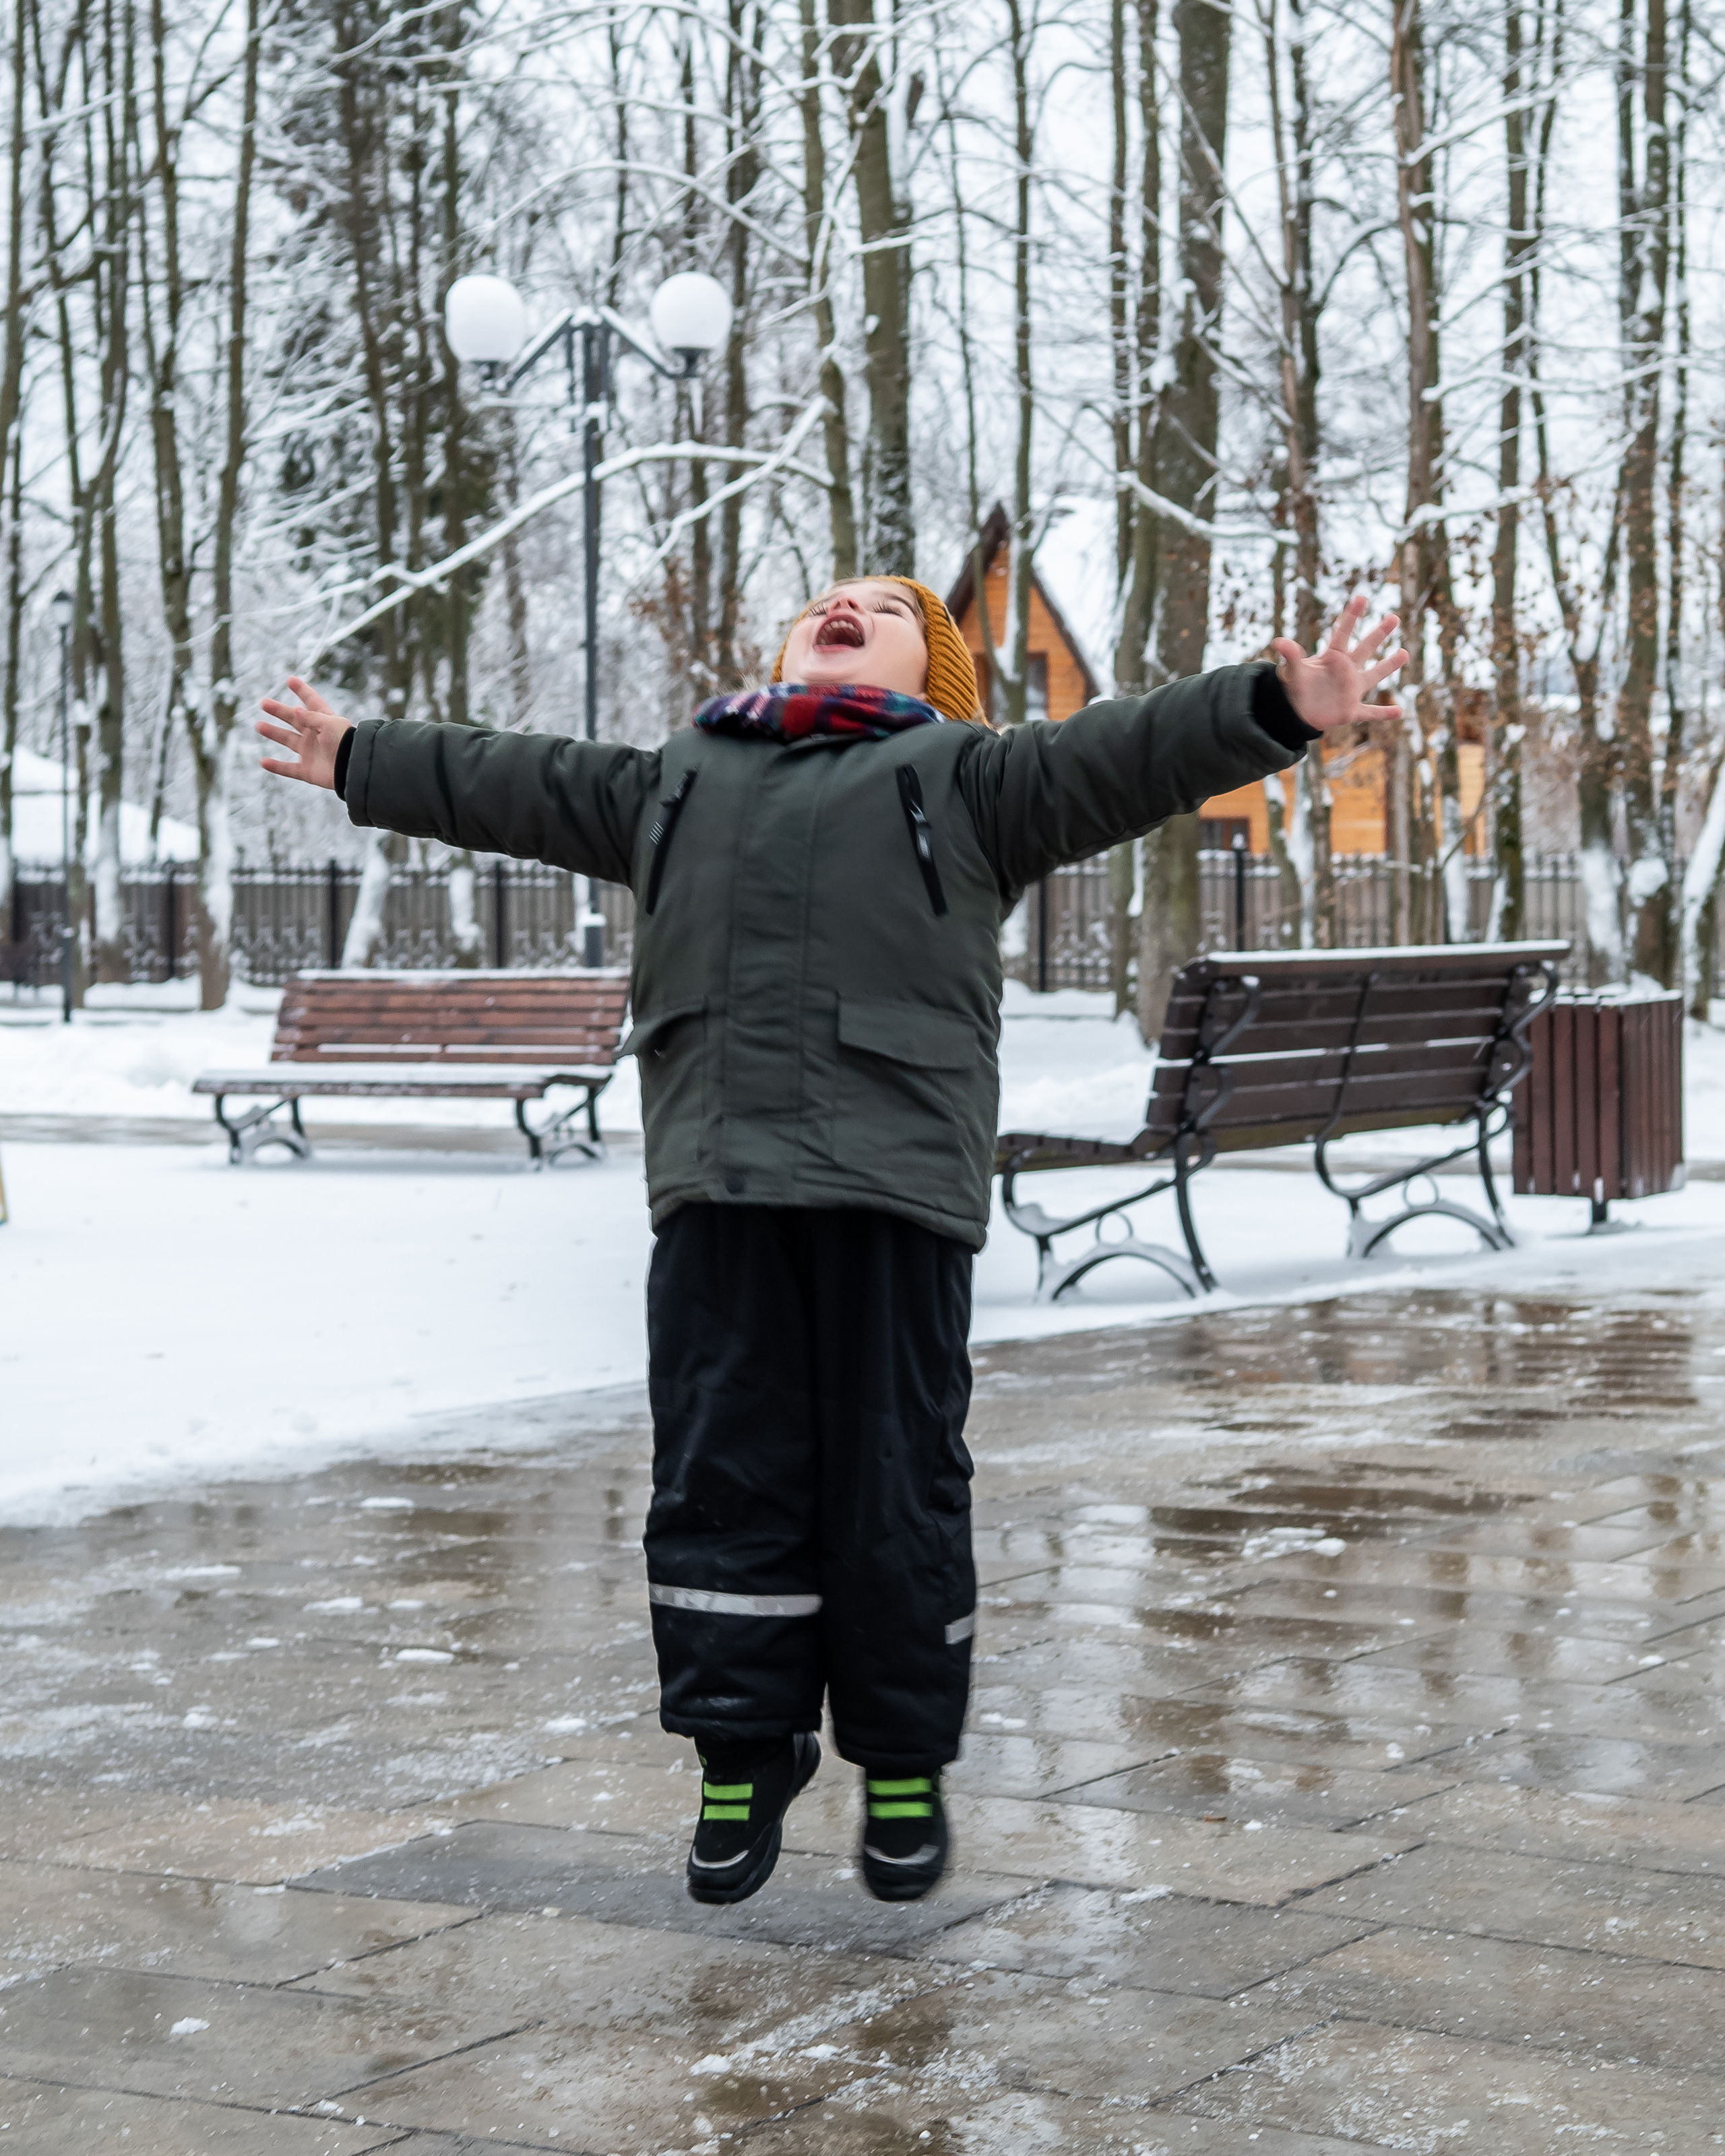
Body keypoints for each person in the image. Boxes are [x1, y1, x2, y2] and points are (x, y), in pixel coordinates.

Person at [259, 577, 1406, 1906]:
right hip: (719, 1180)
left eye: (887, 608)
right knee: (718, 1473)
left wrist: (1272, 704)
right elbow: (518, 779)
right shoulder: (678, 778)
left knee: (893, 1475)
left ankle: (901, 1757)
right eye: (826, 601)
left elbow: (1130, 750)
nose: (846, 608)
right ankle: (741, 1750)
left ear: (940, 680)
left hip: (893, 1188)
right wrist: (361, 756)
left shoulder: (973, 781)